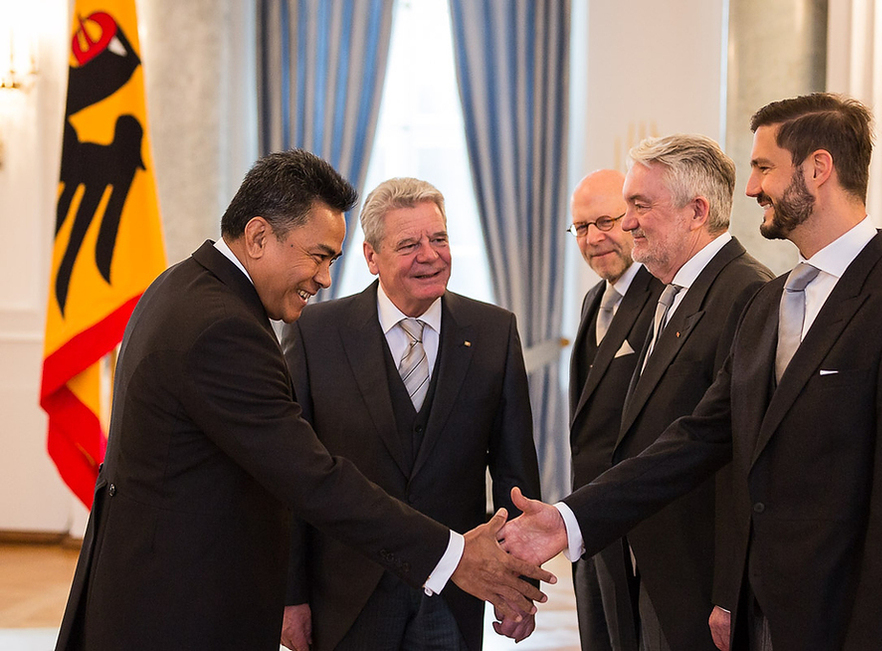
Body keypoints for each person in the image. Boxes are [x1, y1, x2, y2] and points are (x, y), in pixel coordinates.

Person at [500, 93, 882, 651]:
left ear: (818, 169)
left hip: (848, 623)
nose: (750, 188)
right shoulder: (770, 302)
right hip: (760, 617)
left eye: (763, 167)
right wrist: (567, 520)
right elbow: (698, 439)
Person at [54, 150, 553, 651]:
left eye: (331, 260)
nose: (324, 279)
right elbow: (312, 478)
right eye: (317, 256)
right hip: (179, 613)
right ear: (257, 237)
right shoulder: (224, 329)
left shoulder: (182, 286)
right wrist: (454, 555)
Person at [279, 177, 541, 651]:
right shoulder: (316, 334)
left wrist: (517, 587)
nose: (430, 254)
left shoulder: (493, 332)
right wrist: (290, 597)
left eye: (438, 238)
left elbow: (514, 474)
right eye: (409, 244)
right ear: (371, 257)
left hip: (455, 596)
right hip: (346, 597)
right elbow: (292, 477)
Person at [614, 134, 772, 651]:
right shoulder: (669, 291)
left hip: (702, 583)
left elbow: (741, 456)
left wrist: (728, 591)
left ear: (697, 210)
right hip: (658, 566)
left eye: (640, 205)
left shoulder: (746, 292)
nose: (627, 222)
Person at [566, 169, 661, 651]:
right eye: (581, 227)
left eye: (605, 220)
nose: (593, 237)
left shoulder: (665, 298)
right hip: (592, 521)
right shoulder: (592, 300)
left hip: (640, 529)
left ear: (635, 218)